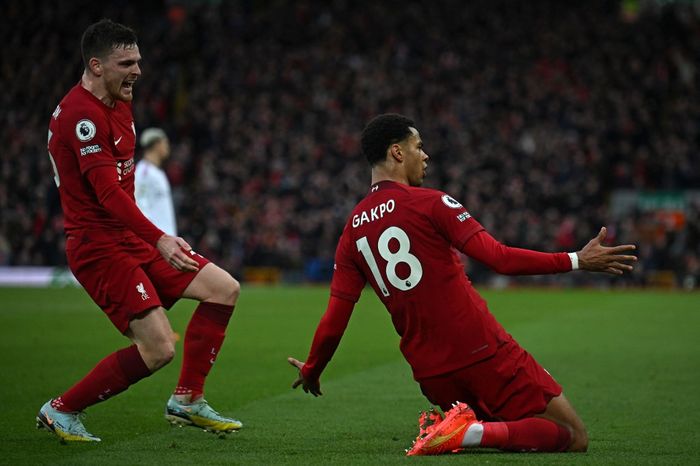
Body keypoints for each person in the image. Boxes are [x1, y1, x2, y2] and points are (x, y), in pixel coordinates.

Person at [288, 113, 637, 455]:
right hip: (481, 350)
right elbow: (499, 258)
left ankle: (467, 430)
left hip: (431, 375)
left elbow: (335, 319)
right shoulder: (431, 202)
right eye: (419, 146)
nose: (425, 155)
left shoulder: (352, 231)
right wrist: (576, 260)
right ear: (397, 152)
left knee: (511, 432)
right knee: (571, 435)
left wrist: (314, 369)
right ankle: (470, 432)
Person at [38, 19, 242, 442]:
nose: (137, 71)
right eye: (126, 62)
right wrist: (161, 237)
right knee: (159, 349)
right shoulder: (82, 117)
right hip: (99, 248)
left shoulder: (118, 101)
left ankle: (187, 401)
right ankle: (62, 409)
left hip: (129, 240)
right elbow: (109, 196)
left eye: (138, 61)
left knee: (224, 288)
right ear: (96, 65)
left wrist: (150, 239)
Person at [135, 127, 177, 236]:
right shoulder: (144, 172)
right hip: (156, 242)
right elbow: (140, 206)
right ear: (157, 144)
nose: (167, 147)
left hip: (167, 238)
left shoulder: (158, 172)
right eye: (165, 143)